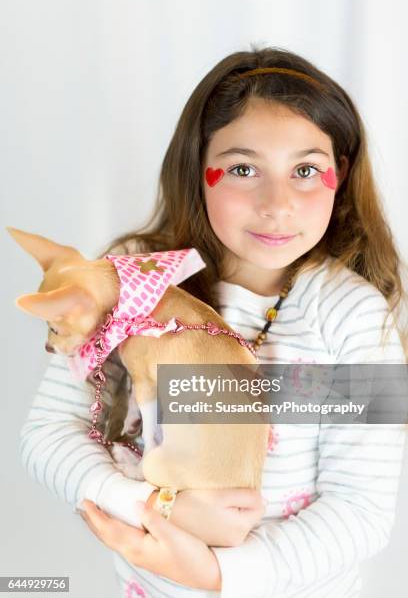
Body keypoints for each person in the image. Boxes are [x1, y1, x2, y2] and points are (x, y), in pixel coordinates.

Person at [20, 46, 408, 598]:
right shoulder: (129, 281)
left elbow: (361, 511)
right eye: (243, 168)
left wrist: (214, 573)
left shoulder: (355, 317)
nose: (277, 204)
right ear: (196, 166)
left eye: (305, 170)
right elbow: (48, 433)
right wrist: (152, 506)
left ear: (339, 175)